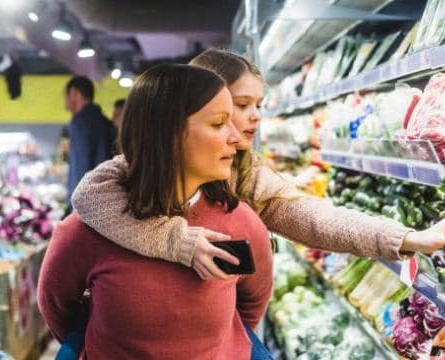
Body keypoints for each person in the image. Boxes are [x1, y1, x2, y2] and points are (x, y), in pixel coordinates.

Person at [72, 49, 445, 281]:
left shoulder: (244, 174)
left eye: (256, 106)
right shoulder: (136, 172)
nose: (253, 118)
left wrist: (407, 238)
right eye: (239, 106)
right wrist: (175, 240)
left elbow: (314, 218)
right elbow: (90, 197)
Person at [38, 64, 273, 359]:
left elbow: (251, 304)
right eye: (218, 124)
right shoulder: (85, 231)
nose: (236, 138)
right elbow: (57, 306)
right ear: (169, 134)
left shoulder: (240, 222)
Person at [64, 76, 117, 210]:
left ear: (75, 93)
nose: (65, 100)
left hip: (86, 206)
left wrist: (74, 207)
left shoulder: (81, 123)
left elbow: (80, 167)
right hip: (105, 200)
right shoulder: (104, 121)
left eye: (66, 95)